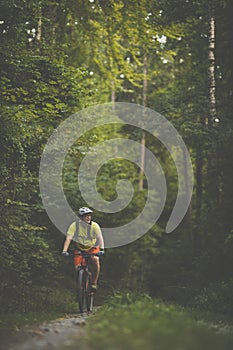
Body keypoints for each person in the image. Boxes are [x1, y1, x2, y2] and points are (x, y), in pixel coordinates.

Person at [61, 207, 104, 293]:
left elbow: (100, 238)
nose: (88, 217)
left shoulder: (94, 226)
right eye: (85, 216)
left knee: (95, 259)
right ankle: (82, 286)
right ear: (81, 218)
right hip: (79, 248)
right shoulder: (74, 226)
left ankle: (94, 283)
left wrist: (102, 249)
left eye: (89, 216)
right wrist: (64, 250)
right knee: (77, 268)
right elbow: (68, 238)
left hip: (92, 247)